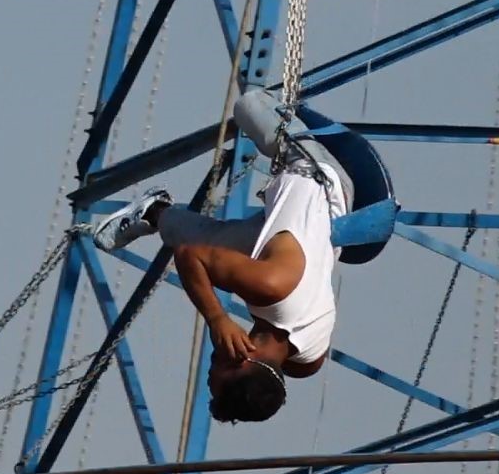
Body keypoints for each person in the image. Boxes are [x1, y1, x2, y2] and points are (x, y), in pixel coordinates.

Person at [92, 89, 351, 424]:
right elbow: (189, 258)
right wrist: (218, 318)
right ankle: (282, 103)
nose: (210, 363)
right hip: (316, 172)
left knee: (209, 240)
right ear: (242, 360)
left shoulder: (306, 362)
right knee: (249, 104)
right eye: (215, 373)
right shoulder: (269, 287)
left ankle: (154, 211)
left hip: (289, 236)